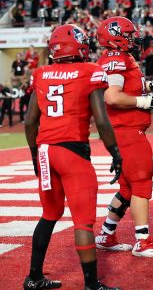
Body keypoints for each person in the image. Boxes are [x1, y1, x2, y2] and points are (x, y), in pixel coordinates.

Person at [23, 24, 121, 290]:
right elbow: (101, 121)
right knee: (83, 220)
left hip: (45, 150)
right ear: (78, 45)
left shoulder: (41, 73)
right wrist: (114, 151)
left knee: (49, 213)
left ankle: (33, 277)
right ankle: (91, 285)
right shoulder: (90, 71)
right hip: (72, 152)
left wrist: (35, 154)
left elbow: (30, 122)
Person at [94, 16, 153, 258]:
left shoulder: (119, 58)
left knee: (127, 188)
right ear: (115, 37)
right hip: (127, 131)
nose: (133, 38)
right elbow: (113, 96)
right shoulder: (115, 59)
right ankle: (142, 241)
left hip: (124, 131)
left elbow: (126, 87)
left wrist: (148, 87)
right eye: (128, 35)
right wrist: (146, 101)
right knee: (141, 182)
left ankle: (107, 234)